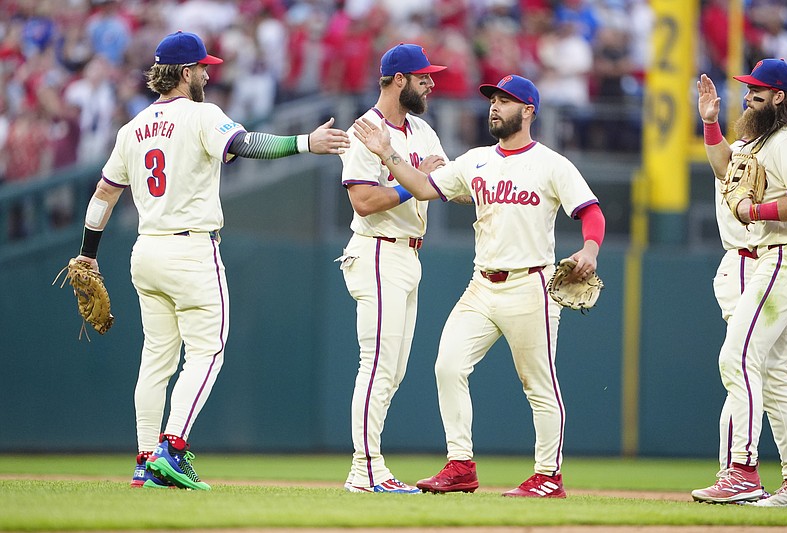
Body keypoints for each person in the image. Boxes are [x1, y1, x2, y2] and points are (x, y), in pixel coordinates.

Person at [66, 31, 350, 491]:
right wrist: (305, 143)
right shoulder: (201, 114)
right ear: (184, 73)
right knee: (207, 351)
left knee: (157, 359)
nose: (208, 73)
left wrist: (87, 254)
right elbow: (246, 145)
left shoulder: (132, 128)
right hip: (191, 250)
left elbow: (103, 194)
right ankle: (172, 449)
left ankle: (144, 461)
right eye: (201, 67)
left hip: (147, 251)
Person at [353, 74, 606, 498]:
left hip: (532, 285)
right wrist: (388, 154)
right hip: (482, 285)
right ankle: (460, 465)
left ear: (528, 111)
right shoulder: (474, 161)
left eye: (505, 101)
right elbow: (421, 187)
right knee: (448, 366)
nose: (494, 107)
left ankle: (548, 476)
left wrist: (590, 250)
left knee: (539, 385)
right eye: (492, 100)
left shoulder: (552, 164)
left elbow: (590, 211)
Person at [335, 43, 449, 494]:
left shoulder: (421, 129)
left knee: (393, 370)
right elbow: (364, 201)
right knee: (378, 363)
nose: (431, 83)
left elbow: (440, 184)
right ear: (399, 79)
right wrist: (413, 183)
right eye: (424, 77)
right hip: (377, 249)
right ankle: (364, 468)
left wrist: (409, 176)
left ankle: (371, 466)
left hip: (408, 254)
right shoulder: (365, 128)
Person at [691, 59, 787, 506]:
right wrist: (711, 124)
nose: (749, 94)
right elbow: (726, 170)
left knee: (736, 358)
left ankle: (742, 472)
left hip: (782, 258)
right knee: (774, 376)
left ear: (780, 96)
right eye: (749, 87)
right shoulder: (763, 138)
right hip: (780, 260)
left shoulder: (786, 140)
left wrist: (755, 212)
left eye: (759, 89)